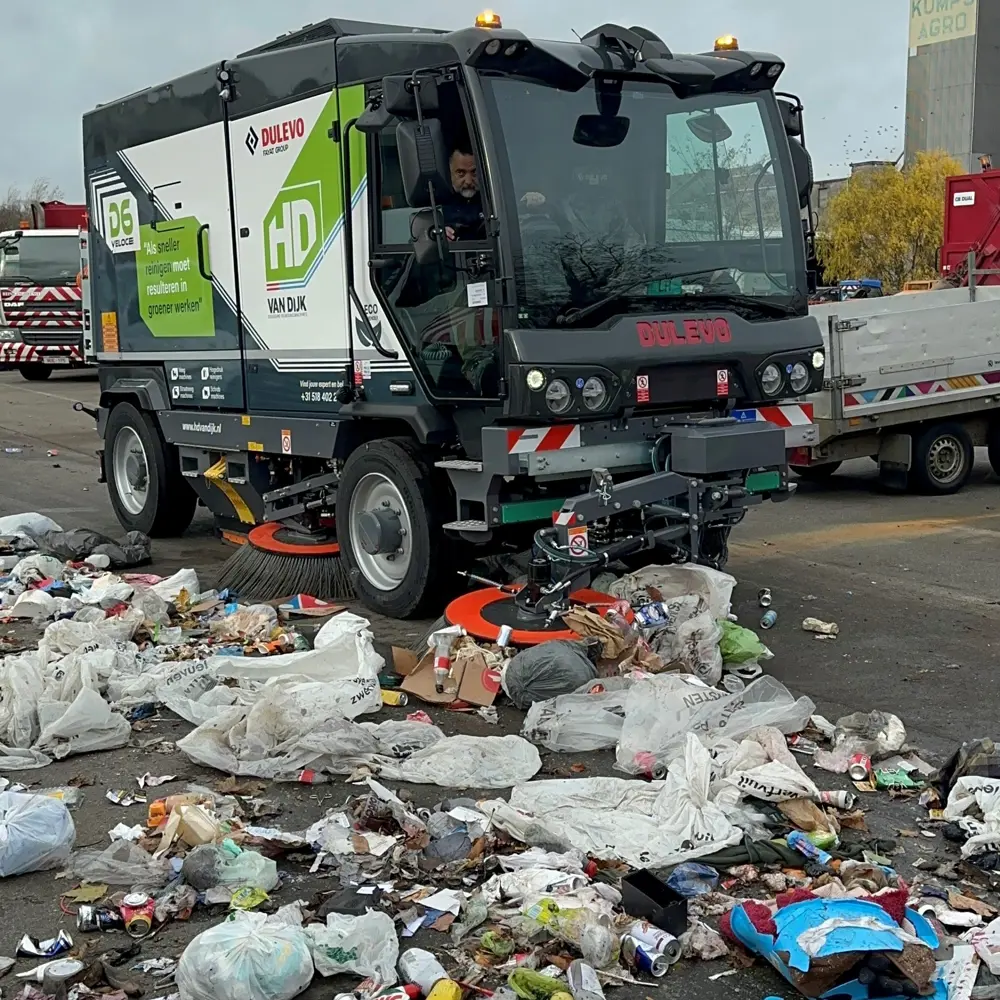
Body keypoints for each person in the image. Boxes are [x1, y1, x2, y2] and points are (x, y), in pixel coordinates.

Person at [441, 144, 485, 241]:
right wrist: (438, 237)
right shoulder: (438, 206)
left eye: (474, 172)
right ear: (449, 172)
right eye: (461, 173)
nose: (468, 181)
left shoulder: (495, 201)